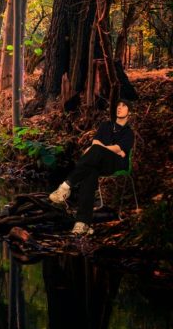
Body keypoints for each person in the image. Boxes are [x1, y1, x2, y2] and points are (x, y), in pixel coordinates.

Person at [49, 101, 134, 235]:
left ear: (129, 111)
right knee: (91, 172)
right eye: (118, 105)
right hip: (100, 162)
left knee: (96, 151)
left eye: (123, 106)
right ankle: (82, 223)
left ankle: (66, 186)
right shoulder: (106, 125)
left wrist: (103, 149)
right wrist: (108, 149)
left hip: (117, 163)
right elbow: (96, 143)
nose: (119, 108)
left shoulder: (128, 133)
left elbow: (119, 149)